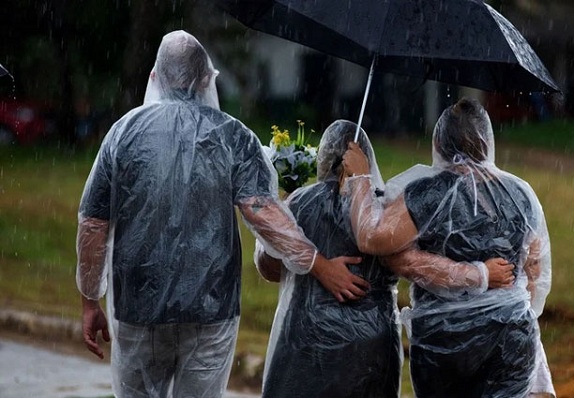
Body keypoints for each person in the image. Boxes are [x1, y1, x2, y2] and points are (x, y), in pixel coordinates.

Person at [75, 30, 368, 398]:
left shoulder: (123, 134)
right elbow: (261, 212)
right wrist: (321, 266)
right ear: (204, 79)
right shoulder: (233, 136)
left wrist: (90, 300)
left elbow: (93, 224)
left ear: (156, 76)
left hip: (139, 306)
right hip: (211, 309)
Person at [254, 120, 517, 398]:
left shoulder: (299, 203)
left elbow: (269, 269)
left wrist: (288, 224)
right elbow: (408, 262)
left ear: (323, 156)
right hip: (371, 349)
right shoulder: (385, 211)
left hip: (302, 344)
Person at [342, 97, 552, 397]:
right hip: (512, 340)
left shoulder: (428, 193)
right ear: (488, 141)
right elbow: (534, 271)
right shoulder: (521, 193)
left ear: (438, 142)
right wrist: (506, 309)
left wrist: (361, 177)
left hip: (445, 344)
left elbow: (373, 238)